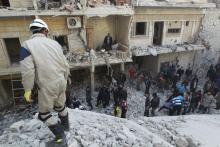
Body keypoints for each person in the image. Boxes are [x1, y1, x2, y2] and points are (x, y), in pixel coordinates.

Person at [20, 19, 70, 146]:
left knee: (43, 114)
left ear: (32, 31)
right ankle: (66, 127)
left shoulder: (26, 46)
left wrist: (27, 90)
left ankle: (61, 137)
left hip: (47, 85)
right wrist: (65, 79)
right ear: (45, 30)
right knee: (60, 106)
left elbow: (28, 72)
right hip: (61, 80)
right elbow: (65, 64)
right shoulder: (55, 44)